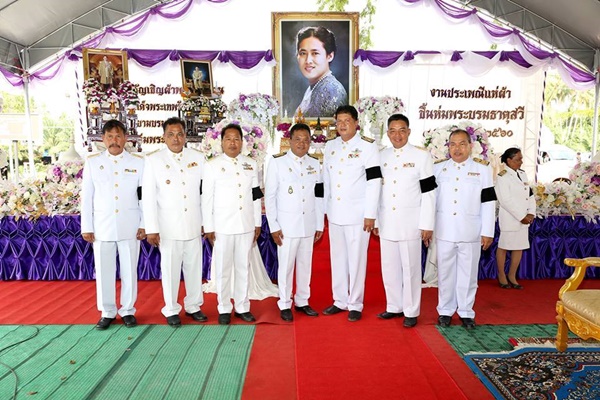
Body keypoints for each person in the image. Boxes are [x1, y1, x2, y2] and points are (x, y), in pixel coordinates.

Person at [373, 114, 436, 328]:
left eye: (402, 130)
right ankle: (393, 306)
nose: (397, 135)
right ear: (387, 133)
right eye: (392, 130)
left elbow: (429, 193)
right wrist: (375, 220)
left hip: (411, 222)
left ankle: (411, 310)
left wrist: (427, 224)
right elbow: (375, 191)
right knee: (389, 267)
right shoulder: (380, 156)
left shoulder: (421, 156)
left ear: (408, 132)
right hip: (387, 220)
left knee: (410, 268)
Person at [81, 119, 145, 330]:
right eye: (110, 137)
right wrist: (87, 226)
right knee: (104, 271)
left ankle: (128, 310)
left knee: (129, 271)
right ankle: (107, 311)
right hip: (102, 227)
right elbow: (87, 197)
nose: (114, 141)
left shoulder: (138, 162)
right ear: (103, 139)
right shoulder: (93, 162)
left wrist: (145, 223)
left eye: (118, 136)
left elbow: (143, 196)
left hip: (130, 225)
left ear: (125, 138)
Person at [142, 117, 207, 327]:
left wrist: (207, 221)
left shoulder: (198, 157)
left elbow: (205, 193)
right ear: (164, 137)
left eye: (179, 134)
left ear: (185, 136)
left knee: (194, 267)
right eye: (170, 134)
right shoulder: (153, 160)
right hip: (168, 226)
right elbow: (149, 197)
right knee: (169, 269)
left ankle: (194, 305)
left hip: (193, 223)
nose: (175, 138)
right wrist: (151, 228)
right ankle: (170, 309)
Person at [322, 105, 382, 322]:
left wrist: (370, 213)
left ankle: (355, 302)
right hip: (335, 213)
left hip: (358, 214)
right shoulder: (330, 146)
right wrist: (324, 211)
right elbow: (326, 182)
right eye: (339, 121)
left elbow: (374, 181)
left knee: (356, 259)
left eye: (347, 120)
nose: (342, 124)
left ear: (357, 123)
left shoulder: (367, 147)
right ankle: (339, 300)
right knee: (337, 258)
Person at [433, 129, 496, 329]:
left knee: (468, 275)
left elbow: (488, 203)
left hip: (471, 231)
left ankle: (466, 312)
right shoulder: (438, 169)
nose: (457, 148)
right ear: (448, 147)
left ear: (470, 146)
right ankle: (445, 311)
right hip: (444, 230)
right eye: (452, 144)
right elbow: (429, 201)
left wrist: (488, 231)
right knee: (445, 274)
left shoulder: (482, 170)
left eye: (462, 144)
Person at [202, 123, 263, 325]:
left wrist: (257, 222)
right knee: (223, 268)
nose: (232, 143)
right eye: (228, 139)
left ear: (242, 142)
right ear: (221, 142)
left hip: (245, 225)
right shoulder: (212, 165)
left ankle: (242, 306)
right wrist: (208, 227)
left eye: (236, 139)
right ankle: (224, 307)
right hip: (222, 226)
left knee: (243, 267)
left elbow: (256, 196)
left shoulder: (250, 164)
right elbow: (207, 199)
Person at [265, 123, 324, 322]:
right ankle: (284, 302)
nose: (302, 143)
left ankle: (302, 301)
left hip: (307, 224)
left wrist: (319, 224)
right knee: (287, 266)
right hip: (286, 226)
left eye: (306, 140)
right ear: (289, 141)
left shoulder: (315, 164)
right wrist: (273, 226)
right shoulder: (277, 162)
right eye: (297, 139)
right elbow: (270, 196)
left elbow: (319, 196)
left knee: (305, 265)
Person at [495, 148, 536, 290]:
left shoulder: (522, 174)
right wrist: (521, 216)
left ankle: (512, 275)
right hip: (511, 218)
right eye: (518, 159)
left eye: (521, 158)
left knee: (519, 247)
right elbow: (505, 200)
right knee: (504, 247)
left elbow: (529, 195)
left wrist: (531, 213)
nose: (521, 161)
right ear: (509, 160)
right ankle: (502, 275)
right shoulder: (502, 176)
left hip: (524, 218)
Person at [295, 26, 348, 118]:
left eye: (315, 53)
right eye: (303, 53)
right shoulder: (314, 87)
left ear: (330, 56)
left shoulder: (332, 90)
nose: (308, 60)